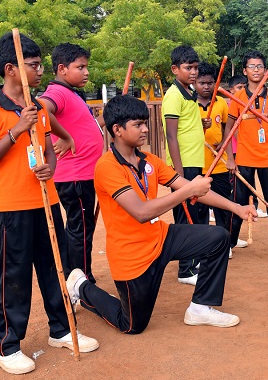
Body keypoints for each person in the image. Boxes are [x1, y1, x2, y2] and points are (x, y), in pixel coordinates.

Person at [66, 94, 256, 334]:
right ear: (117, 130)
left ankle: (200, 308)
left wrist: (236, 207)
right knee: (133, 325)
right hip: (131, 256)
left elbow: (186, 186)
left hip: (160, 238)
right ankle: (81, 286)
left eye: (145, 122)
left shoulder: (150, 161)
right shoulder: (107, 167)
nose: (145, 129)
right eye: (138, 124)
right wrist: (188, 190)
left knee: (218, 238)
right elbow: (141, 213)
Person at [0, 31, 99, 375]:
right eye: (33, 65)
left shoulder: (39, 107)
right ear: (11, 69)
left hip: (46, 201)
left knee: (53, 267)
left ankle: (61, 329)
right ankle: (6, 345)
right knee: (14, 274)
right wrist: (16, 129)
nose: (40, 70)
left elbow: (47, 150)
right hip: (12, 207)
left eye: (40, 64)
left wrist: (50, 168)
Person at [38, 43, 103, 283]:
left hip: (83, 175)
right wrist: (65, 136)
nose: (86, 72)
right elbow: (42, 108)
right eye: (81, 67)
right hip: (74, 175)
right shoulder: (58, 92)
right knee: (81, 230)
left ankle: (78, 275)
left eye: (87, 67)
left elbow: (88, 127)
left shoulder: (73, 93)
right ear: (62, 69)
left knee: (81, 228)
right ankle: (79, 281)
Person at [224, 51, 268, 262]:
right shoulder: (238, 97)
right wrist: (230, 158)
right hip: (243, 159)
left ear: (265, 69)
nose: (256, 70)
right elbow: (230, 127)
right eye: (251, 66)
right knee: (238, 202)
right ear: (245, 71)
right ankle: (230, 242)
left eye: (260, 66)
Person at [161, 45, 206, 284]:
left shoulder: (188, 93)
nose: (193, 72)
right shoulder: (173, 95)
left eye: (196, 68)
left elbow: (188, 127)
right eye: (188, 68)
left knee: (195, 213)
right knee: (184, 216)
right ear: (175, 69)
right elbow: (171, 135)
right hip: (183, 165)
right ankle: (185, 270)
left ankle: (192, 261)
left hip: (194, 162)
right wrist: (178, 171)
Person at [195, 62, 235, 255]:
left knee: (223, 206)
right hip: (197, 165)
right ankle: (203, 246)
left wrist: (224, 143)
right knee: (200, 209)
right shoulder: (189, 104)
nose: (206, 86)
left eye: (210, 82)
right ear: (195, 83)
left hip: (218, 163)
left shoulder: (220, 103)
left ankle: (224, 244)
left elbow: (227, 127)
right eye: (202, 82)